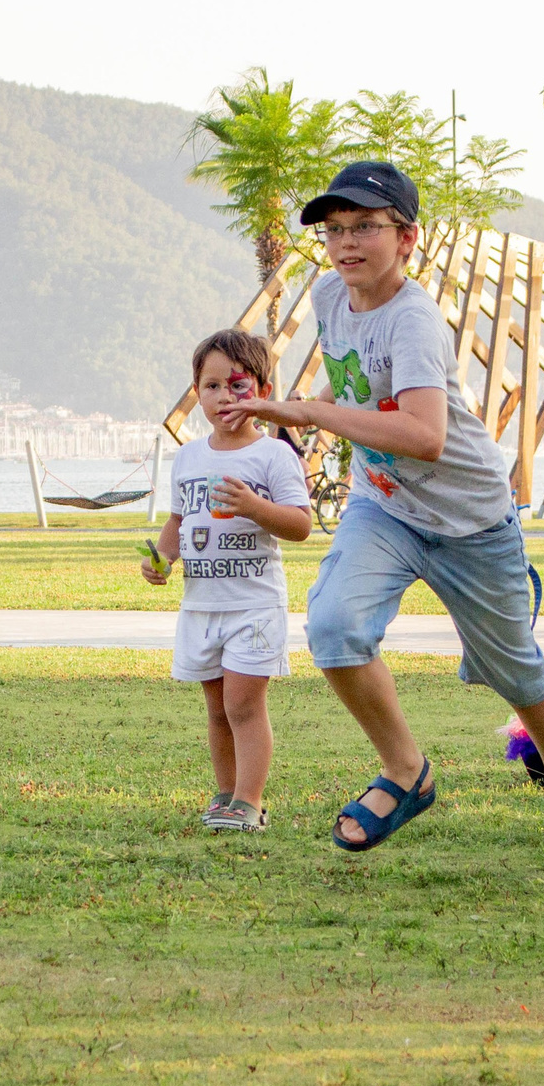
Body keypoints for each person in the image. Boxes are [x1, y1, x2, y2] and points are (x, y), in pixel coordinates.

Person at [229, 162, 544, 869]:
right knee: (336, 627)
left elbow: (425, 434)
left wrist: (310, 413)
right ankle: (407, 770)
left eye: (365, 227)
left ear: (406, 238)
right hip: (385, 508)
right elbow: (359, 390)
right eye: (335, 230)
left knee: (517, 675)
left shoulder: (415, 320)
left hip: (470, 520)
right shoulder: (327, 298)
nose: (346, 244)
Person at [142, 330, 314, 833]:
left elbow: (300, 525)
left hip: (254, 606)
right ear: (197, 393)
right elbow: (177, 523)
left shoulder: (274, 456)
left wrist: (255, 507)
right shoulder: (190, 458)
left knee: (243, 704)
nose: (224, 397)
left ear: (260, 390)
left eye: (237, 386)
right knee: (217, 708)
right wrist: (162, 558)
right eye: (211, 386)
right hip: (202, 606)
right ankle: (225, 794)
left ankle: (250, 801)